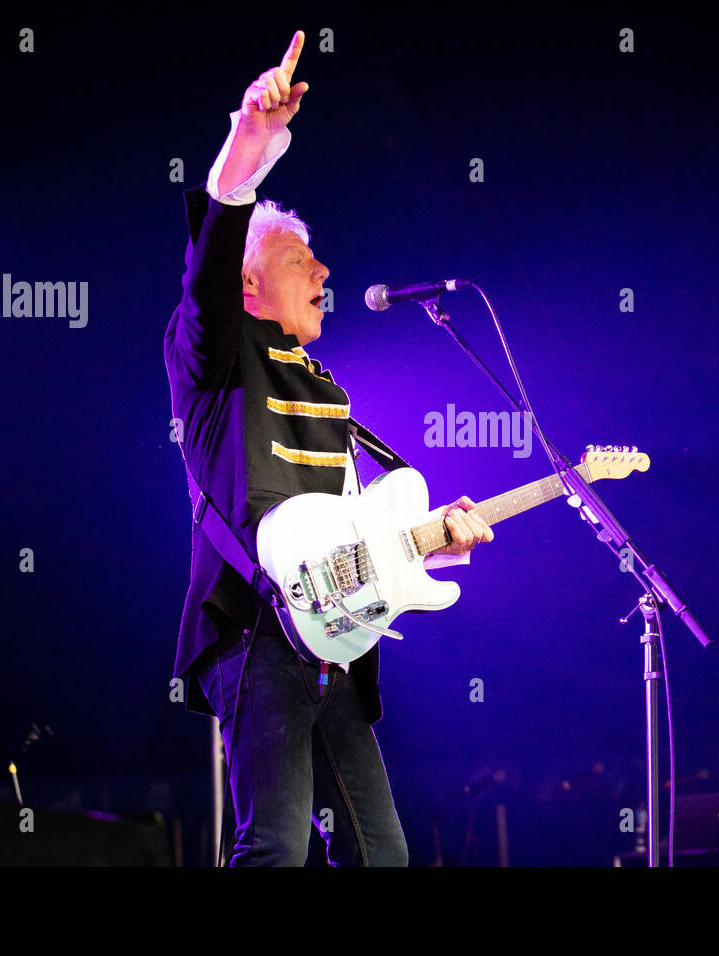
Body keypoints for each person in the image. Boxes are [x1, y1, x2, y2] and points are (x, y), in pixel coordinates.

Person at [164, 31, 493, 866]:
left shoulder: (327, 392)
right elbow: (208, 261)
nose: (324, 270)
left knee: (382, 856)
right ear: (248, 283)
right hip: (255, 632)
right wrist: (248, 139)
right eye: (300, 258)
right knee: (274, 845)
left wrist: (432, 545)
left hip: (334, 638)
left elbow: (353, 532)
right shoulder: (214, 350)